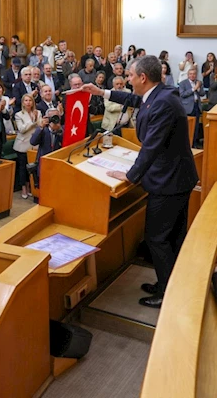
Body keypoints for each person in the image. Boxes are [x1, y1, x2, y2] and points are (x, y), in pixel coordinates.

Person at [82, 56, 199, 308]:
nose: (128, 80)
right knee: (172, 236)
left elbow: (152, 147)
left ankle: (167, 293)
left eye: (131, 76)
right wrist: (100, 91)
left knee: (158, 238)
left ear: (143, 78)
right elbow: (135, 100)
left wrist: (131, 175)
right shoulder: (159, 94)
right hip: (174, 177)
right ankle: (168, 283)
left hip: (170, 182)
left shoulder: (164, 103)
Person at [13, 94, 40, 199]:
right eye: (26, 101)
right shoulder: (18, 114)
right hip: (22, 145)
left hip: (34, 144)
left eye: (30, 100)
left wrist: (37, 119)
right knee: (23, 167)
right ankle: (24, 188)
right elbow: (22, 129)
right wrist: (32, 121)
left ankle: (31, 187)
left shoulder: (38, 112)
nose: (28, 102)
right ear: (23, 103)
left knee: (32, 167)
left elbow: (41, 125)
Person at [29, 108, 64, 187]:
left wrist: (59, 129)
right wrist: (41, 127)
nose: (55, 119)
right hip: (44, 165)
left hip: (57, 165)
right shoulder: (43, 130)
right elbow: (33, 142)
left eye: (57, 116)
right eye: (53, 117)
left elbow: (65, 142)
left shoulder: (62, 129)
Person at [179, 66, 204, 147]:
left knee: (196, 127)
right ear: (188, 75)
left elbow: (203, 93)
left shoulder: (199, 82)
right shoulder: (183, 83)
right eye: (191, 74)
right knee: (186, 128)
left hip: (197, 106)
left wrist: (198, 88)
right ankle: (185, 145)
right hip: (187, 108)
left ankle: (194, 144)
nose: (192, 75)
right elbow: (182, 94)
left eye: (194, 74)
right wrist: (194, 88)